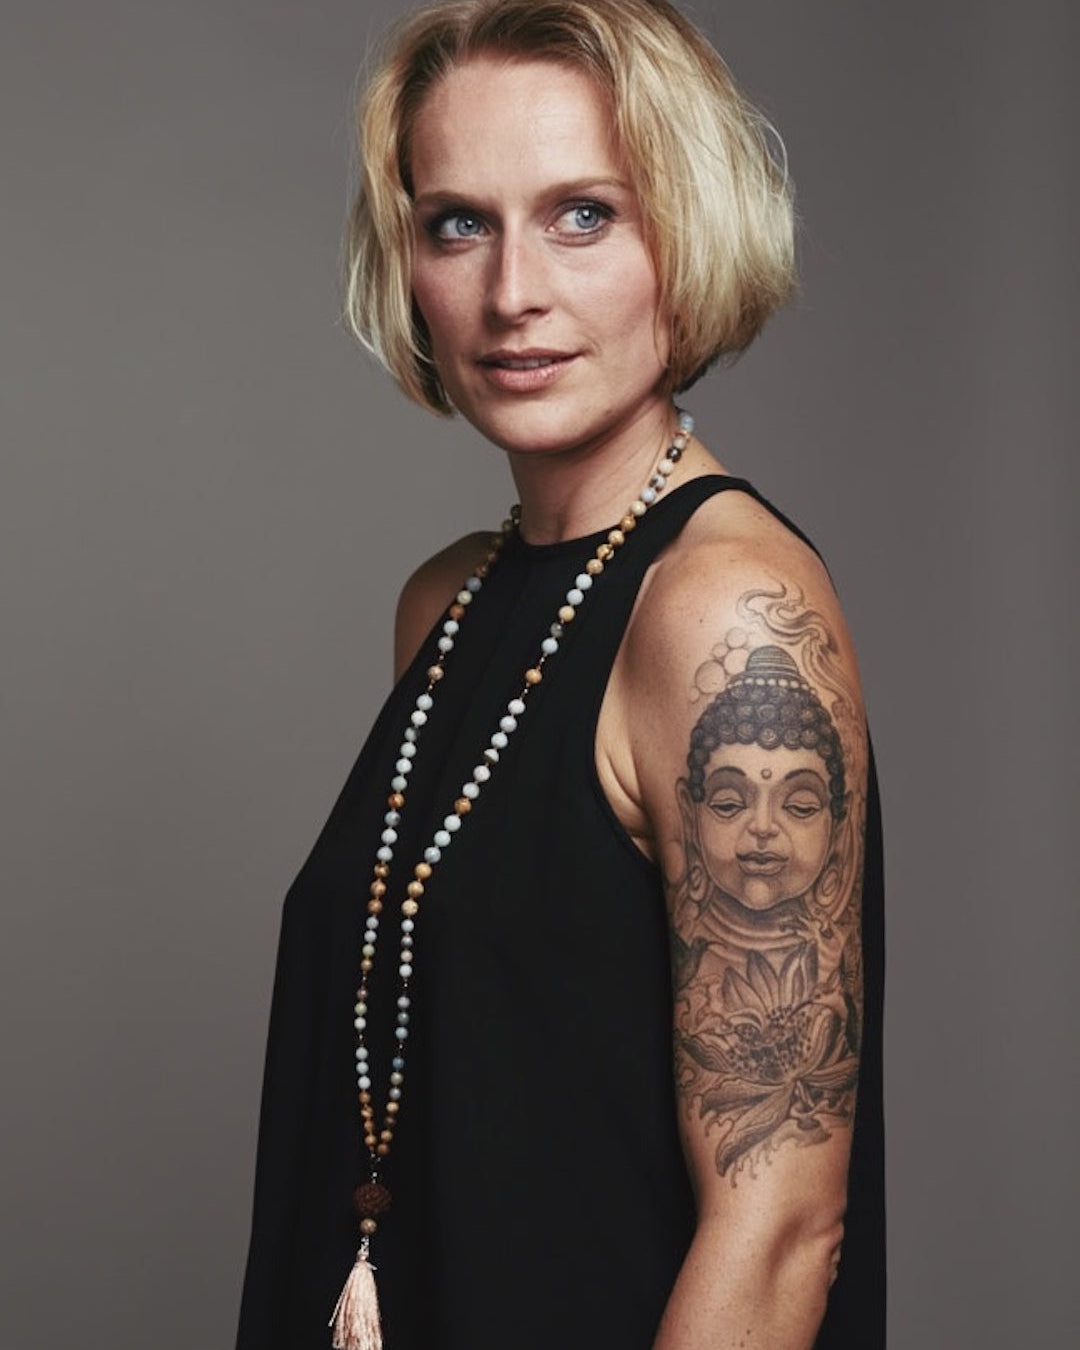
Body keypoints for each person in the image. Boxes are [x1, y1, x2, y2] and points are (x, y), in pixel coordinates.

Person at [236, 2, 885, 1347]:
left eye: (583, 215)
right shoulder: (448, 604)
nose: (512, 291)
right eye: (457, 223)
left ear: (684, 237)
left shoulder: (726, 614)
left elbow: (780, 1228)